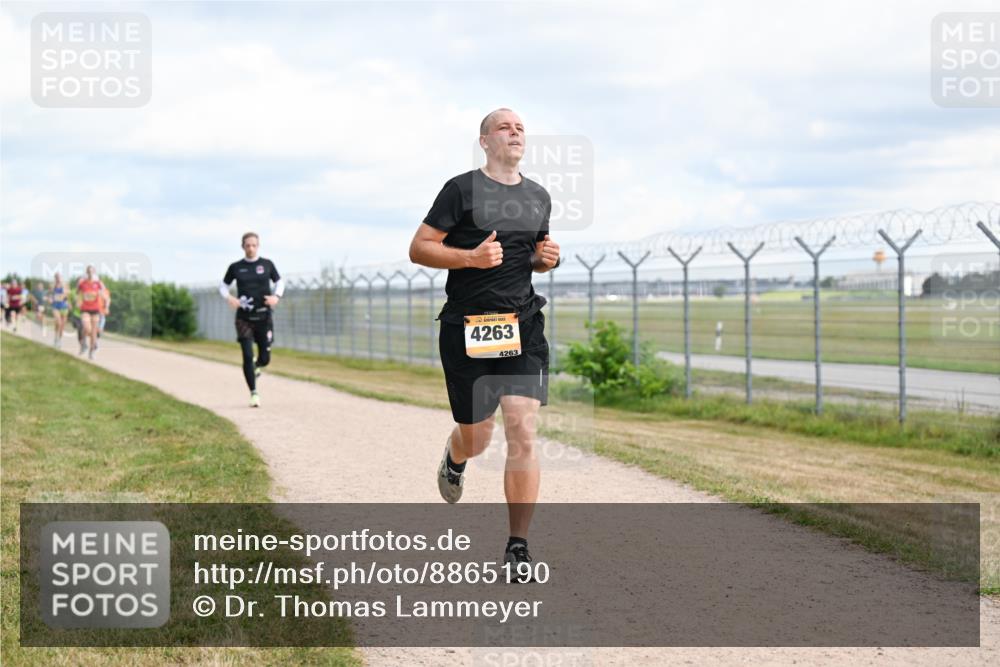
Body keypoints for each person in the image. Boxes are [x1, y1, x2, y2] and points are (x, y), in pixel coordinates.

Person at [408, 108, 560, 578]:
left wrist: (543, 259)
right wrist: (470, 258)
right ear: (484, 141)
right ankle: (455, 458)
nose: (514, 133)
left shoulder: (538, 196)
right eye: (504, 127)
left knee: (522, 428)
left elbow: (527, 257)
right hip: (466, 327)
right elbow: (420, 248)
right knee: (478, 436)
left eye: (520, 129)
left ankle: (518, 545)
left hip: (522, 326)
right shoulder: (461, 190)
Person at [220, 232, 284, 407]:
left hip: (264, 316)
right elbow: (223, 286)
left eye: (254, 245)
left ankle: (257, 366)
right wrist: (230, 298)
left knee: (265, 358)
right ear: (243, 247)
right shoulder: (235, 267)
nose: (250, 248)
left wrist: (276, 297)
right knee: (247, 355)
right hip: (244, 318)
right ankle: (254, 393)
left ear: (258, 246)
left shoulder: (267, 264)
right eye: (247, 245)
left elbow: (280, 282)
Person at [76, 266, 105, 360]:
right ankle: (84, 342)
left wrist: (101, 287)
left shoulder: (98, 283)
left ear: (95, 272)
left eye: (92, 271)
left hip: (95, 309)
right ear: (86, 273)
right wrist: (78, 300)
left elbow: (103, 292)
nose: (90, 273)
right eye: (89, 271)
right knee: (87, 328)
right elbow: (77, 292)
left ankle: (91, 352)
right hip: (85, 308)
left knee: (93, 332)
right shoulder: (83, 283)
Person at [49, 273, 70, 348]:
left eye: (59, 277)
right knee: (58, 322)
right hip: (55, 306)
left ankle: (59, 340)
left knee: (62, 326)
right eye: (56, 277)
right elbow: (50, 295)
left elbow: (66, 295)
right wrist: (50, 299)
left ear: (61, 277)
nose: (58, 278)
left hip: (64, 307)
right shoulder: (52, 286)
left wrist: (62, 296)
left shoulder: (65, 285)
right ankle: (55, 338)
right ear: (55, 278)